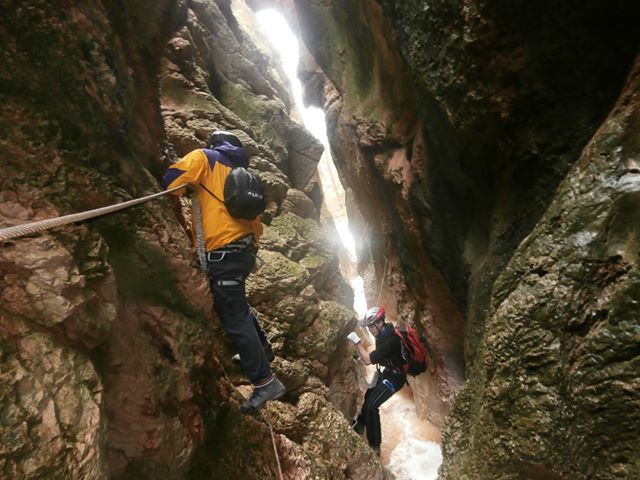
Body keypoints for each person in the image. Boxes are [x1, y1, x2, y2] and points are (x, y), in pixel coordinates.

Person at [162, 130, 285, 414]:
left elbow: (170, 183)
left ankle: (265, 382)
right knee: (237, 304)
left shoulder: (204, 159)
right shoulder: (243, 175)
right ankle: (263, 349)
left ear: (214, 144)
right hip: (245, 251)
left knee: (233, 315)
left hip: (223, 251)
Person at [347, 306, 406, 455]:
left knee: (372, 406)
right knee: (369, 395)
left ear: (380, 323)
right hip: (388, 372)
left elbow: (367, 360)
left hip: (396, 377)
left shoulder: (390, 340)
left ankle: (375, 446)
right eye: (368, 327)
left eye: (371, 326)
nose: (369, 330)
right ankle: (360, 425)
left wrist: (357, 342)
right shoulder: (384, 333)